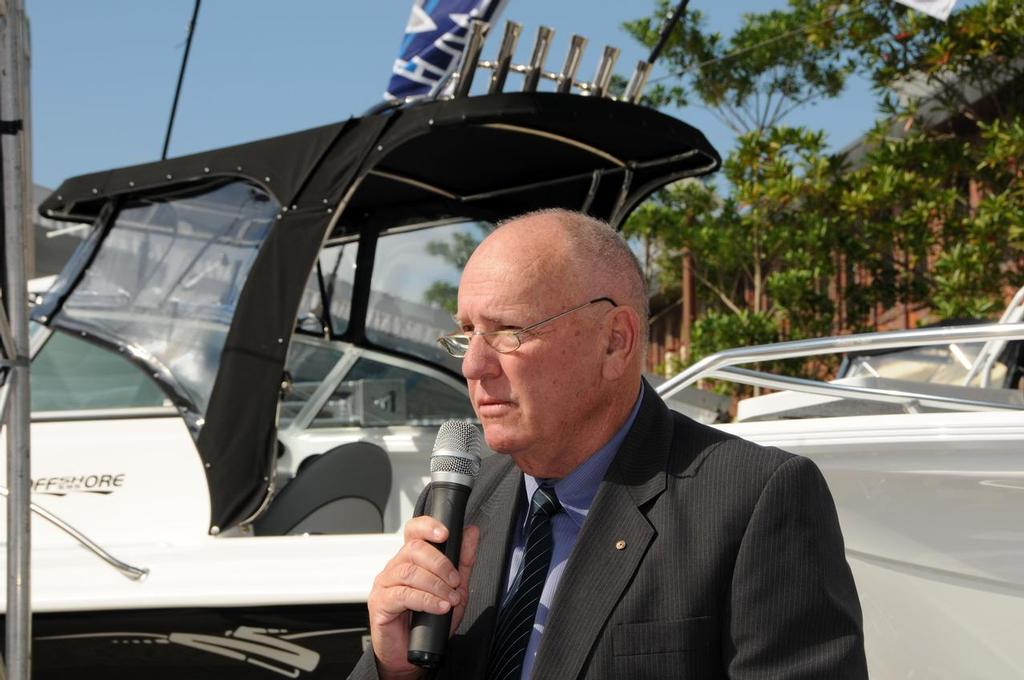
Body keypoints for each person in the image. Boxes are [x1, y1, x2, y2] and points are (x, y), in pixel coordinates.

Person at [349, 209, 867, 680]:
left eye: (509, 332)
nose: (472, 366)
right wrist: (394, 669)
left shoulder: (752, 501)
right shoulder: (459, 509)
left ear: (615, 340)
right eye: (466, 333)